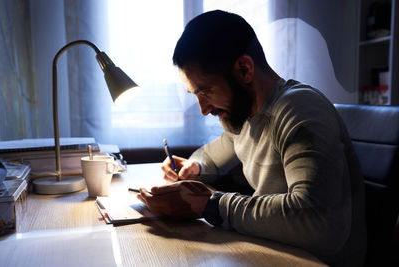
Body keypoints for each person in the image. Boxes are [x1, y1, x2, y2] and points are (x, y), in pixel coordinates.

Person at [137, 10, 366, 266]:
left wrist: (210, 205)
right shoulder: (245, 115)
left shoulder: (299, 109)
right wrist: (194, 167)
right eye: (195, 95)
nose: (203, 109)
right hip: (273, 251)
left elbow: (318, 223)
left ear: (245, 69)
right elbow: (211, 155)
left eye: (206, 91)